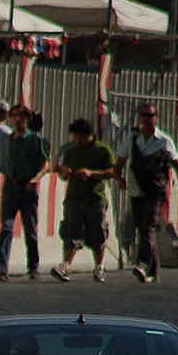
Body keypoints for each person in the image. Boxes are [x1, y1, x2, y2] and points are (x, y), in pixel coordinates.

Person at [117, 103, 178, 284]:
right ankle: (153, 271)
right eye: (143, 115)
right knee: (143, 230)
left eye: (150, 115)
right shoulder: (132, 140)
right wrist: (119, 178)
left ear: (156, 117)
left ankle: (141, 263)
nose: (147, 119)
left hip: (155, 191)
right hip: (136, 190)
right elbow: (119, 162)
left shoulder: (164, 141)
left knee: (147, 227)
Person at [51, 118, 117, 283]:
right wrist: (64, 172)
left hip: (94, 198)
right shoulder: (72, 151)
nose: (77, 140)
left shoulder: (103, 150)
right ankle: (66, 264)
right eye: (75, 137)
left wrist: (91, 174)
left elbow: (112, 171)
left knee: (97, 232)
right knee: (69, 231)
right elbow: (63, 172)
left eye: (80, 137)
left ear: (90, 135)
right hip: (74, 197)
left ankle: (99, 265)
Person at [0, 105, 50, 280]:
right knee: (6, 227)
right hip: (10, 186)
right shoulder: (9, 139)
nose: (17, 120)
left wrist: (36, 178)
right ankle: (1, 267)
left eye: (21, 117)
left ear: (27, 120)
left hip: (27, 187)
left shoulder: (34, 140)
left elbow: (46, 164)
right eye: (14, 116)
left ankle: (33, 266)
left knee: (29, 228)